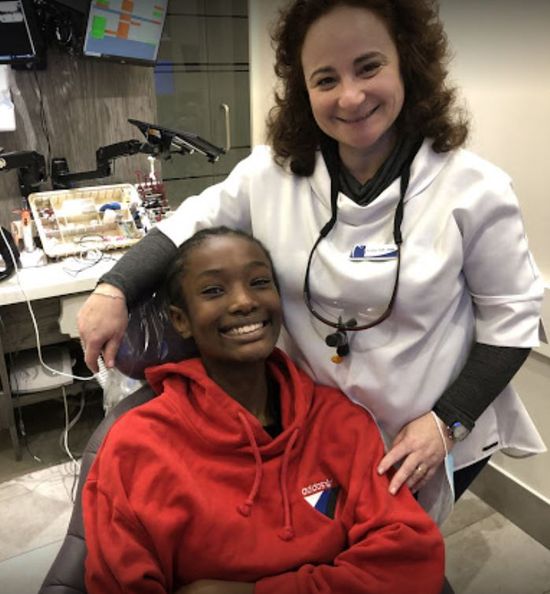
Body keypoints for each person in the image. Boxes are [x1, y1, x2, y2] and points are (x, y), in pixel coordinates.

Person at [78, 0, 545, 524]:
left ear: (408, 64)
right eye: (326, 79)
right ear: (305, 90)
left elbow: (512, 323)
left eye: (369, 67)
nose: (350, 96)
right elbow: (190, 225)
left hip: (431, 428)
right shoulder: (271, 175)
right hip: (322, 430)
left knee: (398, 557)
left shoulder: (475, 190)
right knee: (327, 548)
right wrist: (113, 288)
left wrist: (446, 422)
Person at [82, 227, 445, 594]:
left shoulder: (339, 424)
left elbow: (411, 564)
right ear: (181, 320)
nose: (243, 301)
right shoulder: (137, 447)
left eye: (259, 282)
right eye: (213, 290)